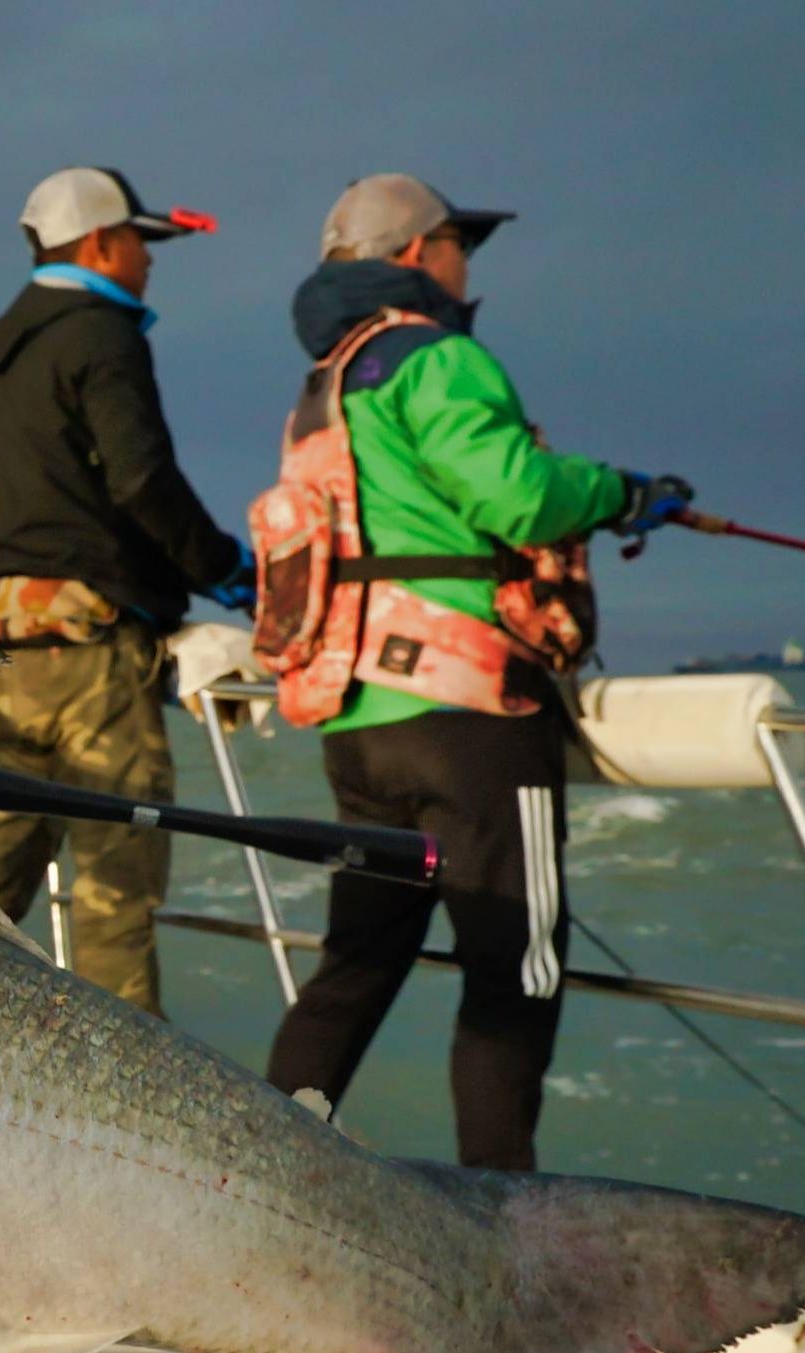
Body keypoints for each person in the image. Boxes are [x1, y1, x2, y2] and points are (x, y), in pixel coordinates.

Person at [258, 177, 691, 1171]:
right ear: (416, 254)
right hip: (468, 710)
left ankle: (258, 1181)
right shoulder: (435, 357)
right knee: (516, 970)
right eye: (459, 244)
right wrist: (623, 492)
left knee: (355, 966)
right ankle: (502, 1226)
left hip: (356, 716)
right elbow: (519, 497)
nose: (467, 266)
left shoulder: (322, 385)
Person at [0, 166, 253, 1015]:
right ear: (100, 244)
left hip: (14, 641)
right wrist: (227, 572)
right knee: (116, 889)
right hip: (96, 650)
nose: (151, 263)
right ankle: (125, 1116)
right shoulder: (104, 335)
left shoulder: (8, 355)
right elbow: (143, 481)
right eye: (143, 244)